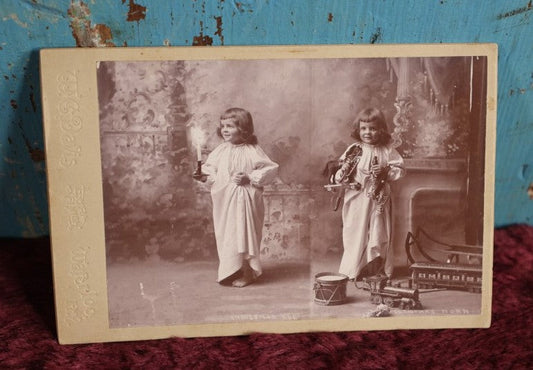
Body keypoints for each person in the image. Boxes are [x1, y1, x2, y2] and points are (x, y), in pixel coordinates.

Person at [194, 107, 278, 287]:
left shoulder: (252, 150)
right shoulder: (221, 151)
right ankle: (233, 268)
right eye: (223, 126)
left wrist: (250, 177)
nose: (224, 129)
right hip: (226, 201)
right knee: (229, 234)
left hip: (246, 200)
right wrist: (204, 176)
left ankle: (248, 272)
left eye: (230, 126)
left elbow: (270, 169)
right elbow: (212, 173)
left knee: (244, 234)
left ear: (243, 129)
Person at [334, 107, 405, 282]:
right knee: (354, 231)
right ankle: (354, 268)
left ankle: (376, 268)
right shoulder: (354, 149)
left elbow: (400, 170)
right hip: (357, 198)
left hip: (379, 198)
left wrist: (385, 169)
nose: (368, 132)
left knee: (379, 232)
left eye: (373, 128)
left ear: (381, 129)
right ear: (358, 129)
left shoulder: (387, 150)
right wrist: (341, 174)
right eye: (364, 128)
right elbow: (340, 173)